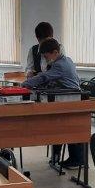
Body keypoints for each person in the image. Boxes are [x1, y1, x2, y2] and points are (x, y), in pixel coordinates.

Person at [22, 39, 83, 168]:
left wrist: (25, 84)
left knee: (64, 129)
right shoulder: (68, 60)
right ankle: (70, 158)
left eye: (46, 56)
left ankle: (76, 160)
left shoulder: (59, 65)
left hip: (68, 100)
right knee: (65, 129)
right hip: (72, 99)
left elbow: (45, 77)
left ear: (55, 52)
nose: (45, 59)